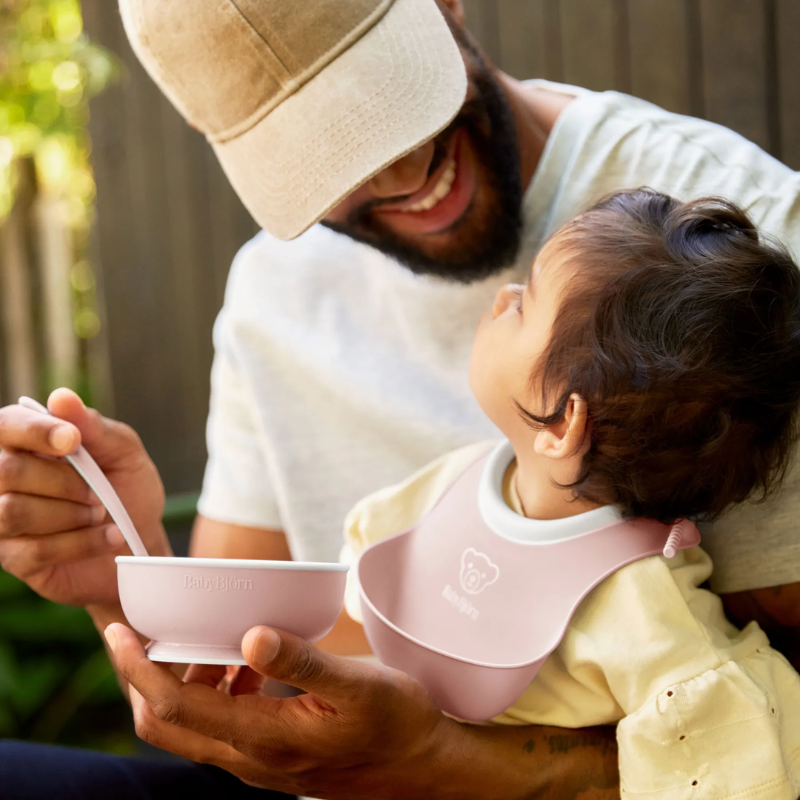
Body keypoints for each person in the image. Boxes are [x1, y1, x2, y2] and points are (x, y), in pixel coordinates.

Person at [0, 0, 798, 796]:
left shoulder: (741, 289)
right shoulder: (272, 294)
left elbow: (742, 749)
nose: (398, 175)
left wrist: (447, 765)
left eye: (388, 102)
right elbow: (243, 683)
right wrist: (123, 566)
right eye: (325, 154)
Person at [342, 189, 800, 796]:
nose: (503, 297)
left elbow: (727, 766)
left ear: (561, 425)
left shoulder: (644, 607)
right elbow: (360, 584)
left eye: (526, 303)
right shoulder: (462, 482)